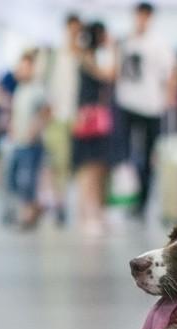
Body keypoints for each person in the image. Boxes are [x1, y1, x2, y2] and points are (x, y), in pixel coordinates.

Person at [114, 2, 177, 219]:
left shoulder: (159, 43)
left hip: (151, 106)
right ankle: (128, 197)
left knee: (149, 155)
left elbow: (170, 73)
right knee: (126, 153)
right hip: (126, 104)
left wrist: (170, 98)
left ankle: (142, 201)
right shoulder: (125, 41)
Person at [71, 20, 117, 238]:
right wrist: (115, 50)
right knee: (90, 168)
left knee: (95, 168)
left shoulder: (89, 57)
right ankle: (88, 215)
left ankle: (92, 214)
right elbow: (108, 75)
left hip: (93, 119)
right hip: (90, 120)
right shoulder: (87, 57)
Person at [44, 14, 84, 227]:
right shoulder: (54, 55)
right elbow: (46, 84)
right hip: (58, 117)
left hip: (79, 118)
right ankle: (60, 204)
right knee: (58, 162)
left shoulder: (83, 56)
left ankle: (75, 203)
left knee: (77, 164)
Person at [8, 50, 51, 229]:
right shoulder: (20, 89)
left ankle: (29, 213)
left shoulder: (37, 89)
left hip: (31, 142)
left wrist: (35, 130)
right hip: (18, 141)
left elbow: (46, 111)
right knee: (15, 178)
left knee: (27, 179)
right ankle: (34, 207)